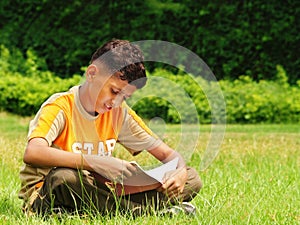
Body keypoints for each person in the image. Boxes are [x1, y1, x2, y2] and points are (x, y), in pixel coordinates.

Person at [18, 39, 202, 216]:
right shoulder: (60, 106)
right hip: (49, 191)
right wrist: (95, 162)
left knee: (192, 179)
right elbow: (33, 152)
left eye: (124, 97)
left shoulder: (119, 113)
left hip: (98, 191)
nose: (116, 102)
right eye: (114, 91)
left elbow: (169, 156)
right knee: (64, 178)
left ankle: (108, 209)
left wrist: (179, 172)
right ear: (91, 74)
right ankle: (143, 211)